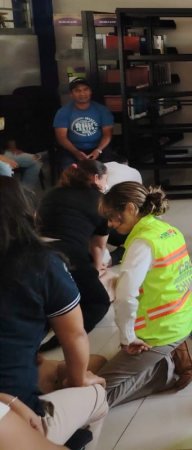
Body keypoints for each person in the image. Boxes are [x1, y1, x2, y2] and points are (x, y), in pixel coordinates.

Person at [0, 176, 109, 450]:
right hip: (18, 418)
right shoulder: (41, 263)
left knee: (79, 363)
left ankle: (58, 378)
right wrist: (78, 380)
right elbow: (74, 335)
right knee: (96, 390)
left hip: (13, 387)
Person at [96, 182, 192, 407]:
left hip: (158, 332)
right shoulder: (167, 230)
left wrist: (127, 338)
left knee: (98, 395)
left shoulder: (142, 243)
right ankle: (177, 347)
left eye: (112, 216)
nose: (110, 224)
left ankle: (165, 372)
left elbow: (125, 296)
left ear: (130, 209)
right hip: (182, 316)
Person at [36, 160, 112, 350]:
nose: (105, 184)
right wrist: (95, 269)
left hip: (34, 250)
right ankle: (59, 339)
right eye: (105, 179)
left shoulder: (52, 193)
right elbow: (98, 245)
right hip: (67, 254)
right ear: (96, 178)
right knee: (98, 301)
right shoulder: (101, 201)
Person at [53, 79, 115, 172]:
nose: (82, 94)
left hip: (98, 147)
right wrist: (76, 152)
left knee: (109, 168)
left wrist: (98, 150)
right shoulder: (63, 112)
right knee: (69, 171)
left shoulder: (102, 110)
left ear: (90, 91)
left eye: (85, 89)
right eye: (78, 91)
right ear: (71, 94)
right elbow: (61, 137)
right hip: (72, 149)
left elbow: (108, 134)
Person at [0, 96, 44, 189]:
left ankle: (24, 193)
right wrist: (4, 159)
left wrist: (12, 148)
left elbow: (8, 132)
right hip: (1, 157)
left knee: (36, 160)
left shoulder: (3, 115)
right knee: (5, 168)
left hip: (2, 152)